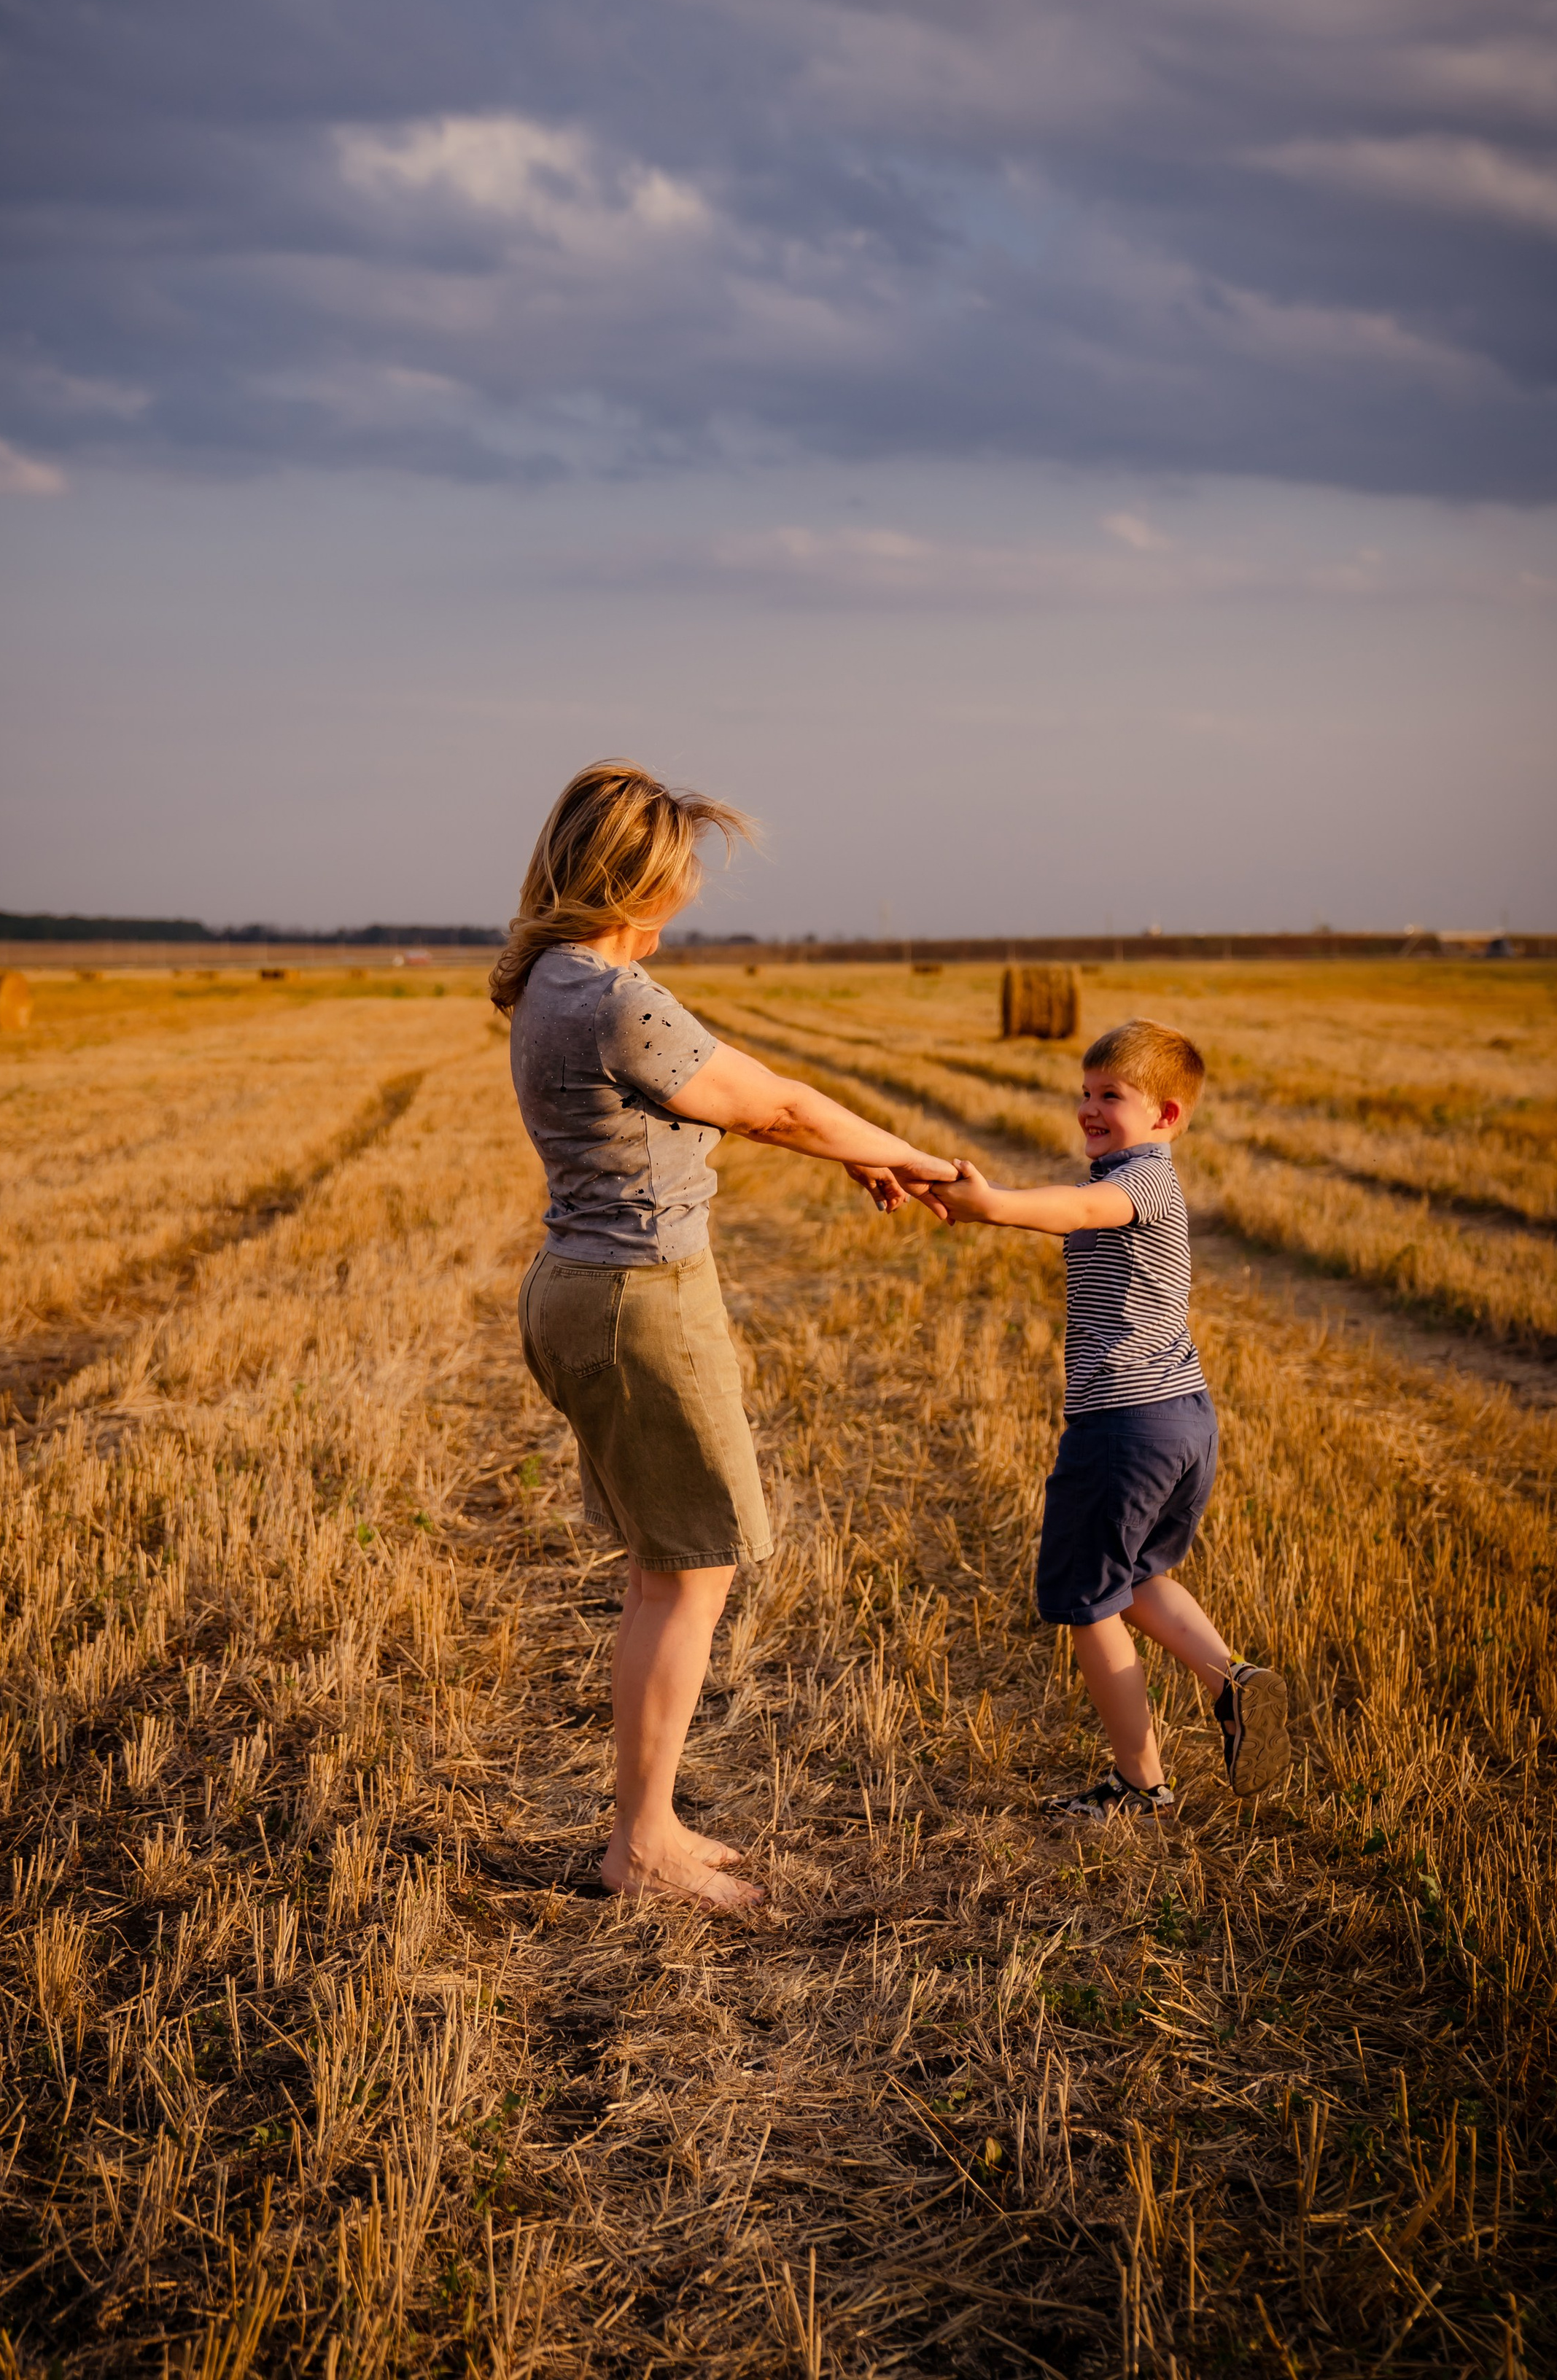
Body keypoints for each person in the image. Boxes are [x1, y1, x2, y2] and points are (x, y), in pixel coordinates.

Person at [493, 761, 959, 1909]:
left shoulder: (551, 983)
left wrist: (853, 1152)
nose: (688, 895)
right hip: (639, 1296)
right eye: (679, 875)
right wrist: (903, 1154)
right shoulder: (615, 1001)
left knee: (668, 1571)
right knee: (689, 1575)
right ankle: (642, 1845)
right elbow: (777, 1105)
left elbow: (747, 1105)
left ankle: (646, 1826)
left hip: (575, 1282)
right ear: (638, 881)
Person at [931, 1018, 1291, 1820]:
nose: (1088, 1108)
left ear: (1166, 1115)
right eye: (1085, 1092)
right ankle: (1231, 1683)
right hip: (1180, 1420)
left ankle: (1139, 1783)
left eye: (1111, 1096)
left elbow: (1078, 1207)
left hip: (1125, 1425)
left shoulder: (1143, 1181)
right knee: (1136, 1580)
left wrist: (992, 1207)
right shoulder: (1138, 1176)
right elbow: (1075, 1200)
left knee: (1088, 1603)